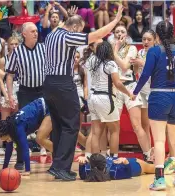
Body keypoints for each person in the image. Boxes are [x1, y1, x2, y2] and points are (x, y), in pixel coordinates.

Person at [43, 5, 124, 181]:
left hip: (48, 83)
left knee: (58, 126)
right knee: (71, 126)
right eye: (78, 30)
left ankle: (56, 166)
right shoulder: (67, 36)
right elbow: (95, 36)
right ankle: (62, 168)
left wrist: (71, 18)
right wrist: (115, 21)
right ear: (73, 29)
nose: (79, 33)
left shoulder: (52, 34)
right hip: (63, 82)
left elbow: (68, 24)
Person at [133, 21, 175, 191]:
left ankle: (159, 180)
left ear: (157, 35)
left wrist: (135, 91)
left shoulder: (154, 51)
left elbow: (145, 74)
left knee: (159, 140)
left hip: (160, 95)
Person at [80, 41, 134, 161]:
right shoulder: (110, 63)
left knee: (95, 132)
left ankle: (94, 161)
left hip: (92, 98)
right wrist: (128, 93)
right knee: (114, 129)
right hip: (105, 98)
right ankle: (113, 159)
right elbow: (118, 83)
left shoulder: (91, 61)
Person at [6, 22, 46, 171]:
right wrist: (10, 95)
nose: (36, 33)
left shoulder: (43, 48)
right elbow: (9, 75)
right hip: (25, 92)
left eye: (36, 31)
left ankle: (55, 157)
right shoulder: (17, 52)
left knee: (49, 123)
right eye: (33, 31)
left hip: (43, 91)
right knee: (20, 126)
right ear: (24, 34)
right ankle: (21, 159)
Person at [111, 24, 151, 162]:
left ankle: (147, 154)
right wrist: (114, 49)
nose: (120, 34)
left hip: (131, 88)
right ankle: (112, 156)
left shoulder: (132, 48)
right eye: (117, 32)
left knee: (136, 125)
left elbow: (124, 66)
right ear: (114, 34)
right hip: (115, 88)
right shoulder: (109, 48)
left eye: (122, 31)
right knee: (113, 125)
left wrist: (115, 51)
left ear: (127, 35)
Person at [79, 153, 155, 181]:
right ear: (104, 163)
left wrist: (81, 164)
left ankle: (153, 161)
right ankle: (162, 166)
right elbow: (128, 173)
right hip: (130, 165)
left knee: (150, 165)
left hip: (121, 162)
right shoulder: (114, 172)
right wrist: (126, 162)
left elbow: (82, 175)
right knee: (151, 168)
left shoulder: (88, 170)